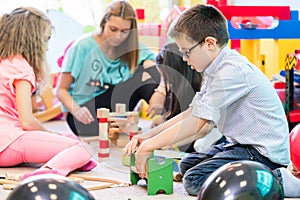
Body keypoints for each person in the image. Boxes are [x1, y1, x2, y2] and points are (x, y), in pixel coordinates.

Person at [124, 4, 300, 197]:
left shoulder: (231, 71)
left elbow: (197, 123)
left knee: (194, 180)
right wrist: (148, 137)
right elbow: (192, 112)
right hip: (239, 145)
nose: (184, 58)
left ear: (209, 43)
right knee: (187, 164)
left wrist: (150, 146)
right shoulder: (213, 69)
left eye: (187, 51)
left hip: (262, 154)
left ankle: (279, 179)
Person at [0, 7, 96, 181]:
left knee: (66, 137)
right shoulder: (21, 67)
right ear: (34, 41)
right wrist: (48, 134)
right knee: (83, 148)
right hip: (8, 144)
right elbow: (27, 121)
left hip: (6, 140)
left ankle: (63, 160)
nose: (46, 48)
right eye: (46, 40)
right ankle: (48, 172)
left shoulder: (4, 62)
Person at [56, 0, 160, 137]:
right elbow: (61, 90)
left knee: (147, 72)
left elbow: (156, 70)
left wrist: (160, 94)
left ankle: (163, 121)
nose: (118, 36)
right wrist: (76, 110)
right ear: (104, 23)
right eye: (113, 29)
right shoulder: (82, 46)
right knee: (141, 76)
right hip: (84, 118)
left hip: (115, 113)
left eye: (124, 31)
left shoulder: (131, 47)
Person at [148, 42, 223, 152]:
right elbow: (186, 115)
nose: (167, 83)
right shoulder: (180, 90)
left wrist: (166, 143)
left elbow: (203, 128)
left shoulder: (205, 86)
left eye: (167, 77)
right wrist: (164, 123)